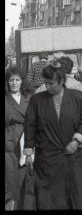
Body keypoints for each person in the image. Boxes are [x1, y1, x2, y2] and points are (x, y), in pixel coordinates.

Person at [23, 63, 82, 210]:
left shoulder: (79, 98)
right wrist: (28, 151)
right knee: (49, 200)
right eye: (45, 83)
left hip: (73, 157)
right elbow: (30, 126)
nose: (47, 87)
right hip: (47, 160)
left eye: (51, 83)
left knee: (76, 197)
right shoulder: (37, 100)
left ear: (61, 82)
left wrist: (77, 139)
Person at [5, 66, 29, 210]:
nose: (14, 83)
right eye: (11, 80)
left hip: (26, 140)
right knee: (10, 180)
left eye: (17, 80)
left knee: (23, 179)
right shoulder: (6, 100)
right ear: (7, 82)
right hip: (9, 143)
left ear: (22, 82)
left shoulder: (28, 99)